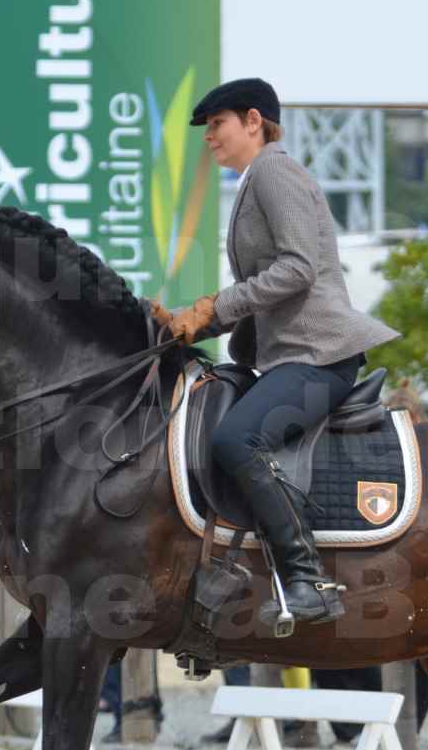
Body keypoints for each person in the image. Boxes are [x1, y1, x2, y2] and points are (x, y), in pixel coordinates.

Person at [162, 77, 399, 628]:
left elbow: (296, 269)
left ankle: (306, 578)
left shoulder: (273, 169)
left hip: (320, 356)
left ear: (252, 120)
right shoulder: (254, 180)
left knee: (236, 437)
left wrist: (213, 308)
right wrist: (190, 325)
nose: (209, 139)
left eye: (216, 125)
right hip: (289, 355)